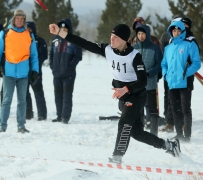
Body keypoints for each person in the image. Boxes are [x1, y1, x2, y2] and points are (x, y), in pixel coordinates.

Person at [49, 23, 181, 163]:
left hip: (137, 96)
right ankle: (169, 146)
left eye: (116, 37)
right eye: (111, 36)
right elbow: (84, 43)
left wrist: (127, 89)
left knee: (123, 123)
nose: (112, 39)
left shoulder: (134, 56)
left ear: (124, 39)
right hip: (123, 96)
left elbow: (143, 81)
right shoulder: (107, 49)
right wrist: (60, 33)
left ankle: (117, 157)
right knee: (137, 133)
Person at [0, 9, 39, 133]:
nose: (19, 20)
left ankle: (21, 126)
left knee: (22, 101)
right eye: (17, 18)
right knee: (6, 100)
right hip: (9, 73)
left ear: (24, 20)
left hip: (24, 74)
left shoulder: (29, 35)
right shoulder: (5, 33)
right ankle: (2, 126)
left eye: (22, 18)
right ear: (14, 19)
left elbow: (34, 55)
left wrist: (35, 71)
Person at [161, 20, 201, 142]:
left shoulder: (190, 44)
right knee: (175, 109)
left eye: (178, 30)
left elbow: (197, 63)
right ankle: (179, 134)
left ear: (183, 31)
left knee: (185, 109)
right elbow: (164, 64)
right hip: (172, 83)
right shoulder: (168, 47)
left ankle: (187, 135)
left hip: (185, 82)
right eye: (174, 31)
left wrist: (185, 73)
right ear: (171, 32)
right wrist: (166, 74)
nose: (176, 33)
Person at [49, 18, 82, 124]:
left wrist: (70, 67)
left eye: (65, 28)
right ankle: (59, 116)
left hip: (68, 74)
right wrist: (52, 66)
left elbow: (78, 56)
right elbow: (51, 55)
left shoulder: (74, 41)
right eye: (61, 28)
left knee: (66, 96)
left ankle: (65, 117)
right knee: (57, 96)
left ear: (68, 29)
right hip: (56, 74)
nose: (63, 30)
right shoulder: (55, 40)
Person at [133, 24, 163, 136]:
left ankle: (154, 133)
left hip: (150, 83)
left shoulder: (154, 48)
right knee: (139, 108)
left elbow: (159, 64)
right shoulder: (134, 48)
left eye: (143, 34)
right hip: (137, 84)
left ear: (147, 34)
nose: (141, 36)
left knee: (152, 108)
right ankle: (140, 131)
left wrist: (149, 73)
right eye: (139, 34)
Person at [25, 21, 48, 121]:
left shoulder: (40, 41)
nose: (28, 30)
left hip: (36, 71)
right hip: (24, 71)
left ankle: (42, 114)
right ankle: (28, 113)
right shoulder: (22, 39)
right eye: (27, 28)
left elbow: (44, 55)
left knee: (38, 93)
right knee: (25, 94)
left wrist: (36, 64)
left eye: (30, 28)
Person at [159, 31, 174, 132]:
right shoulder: (165, 35)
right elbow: (161, 50)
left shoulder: (185, 36)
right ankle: (168, 119)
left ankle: (179, 122)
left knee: (177, 97)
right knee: (167, 96)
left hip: (179, 74)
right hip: (168, 71)